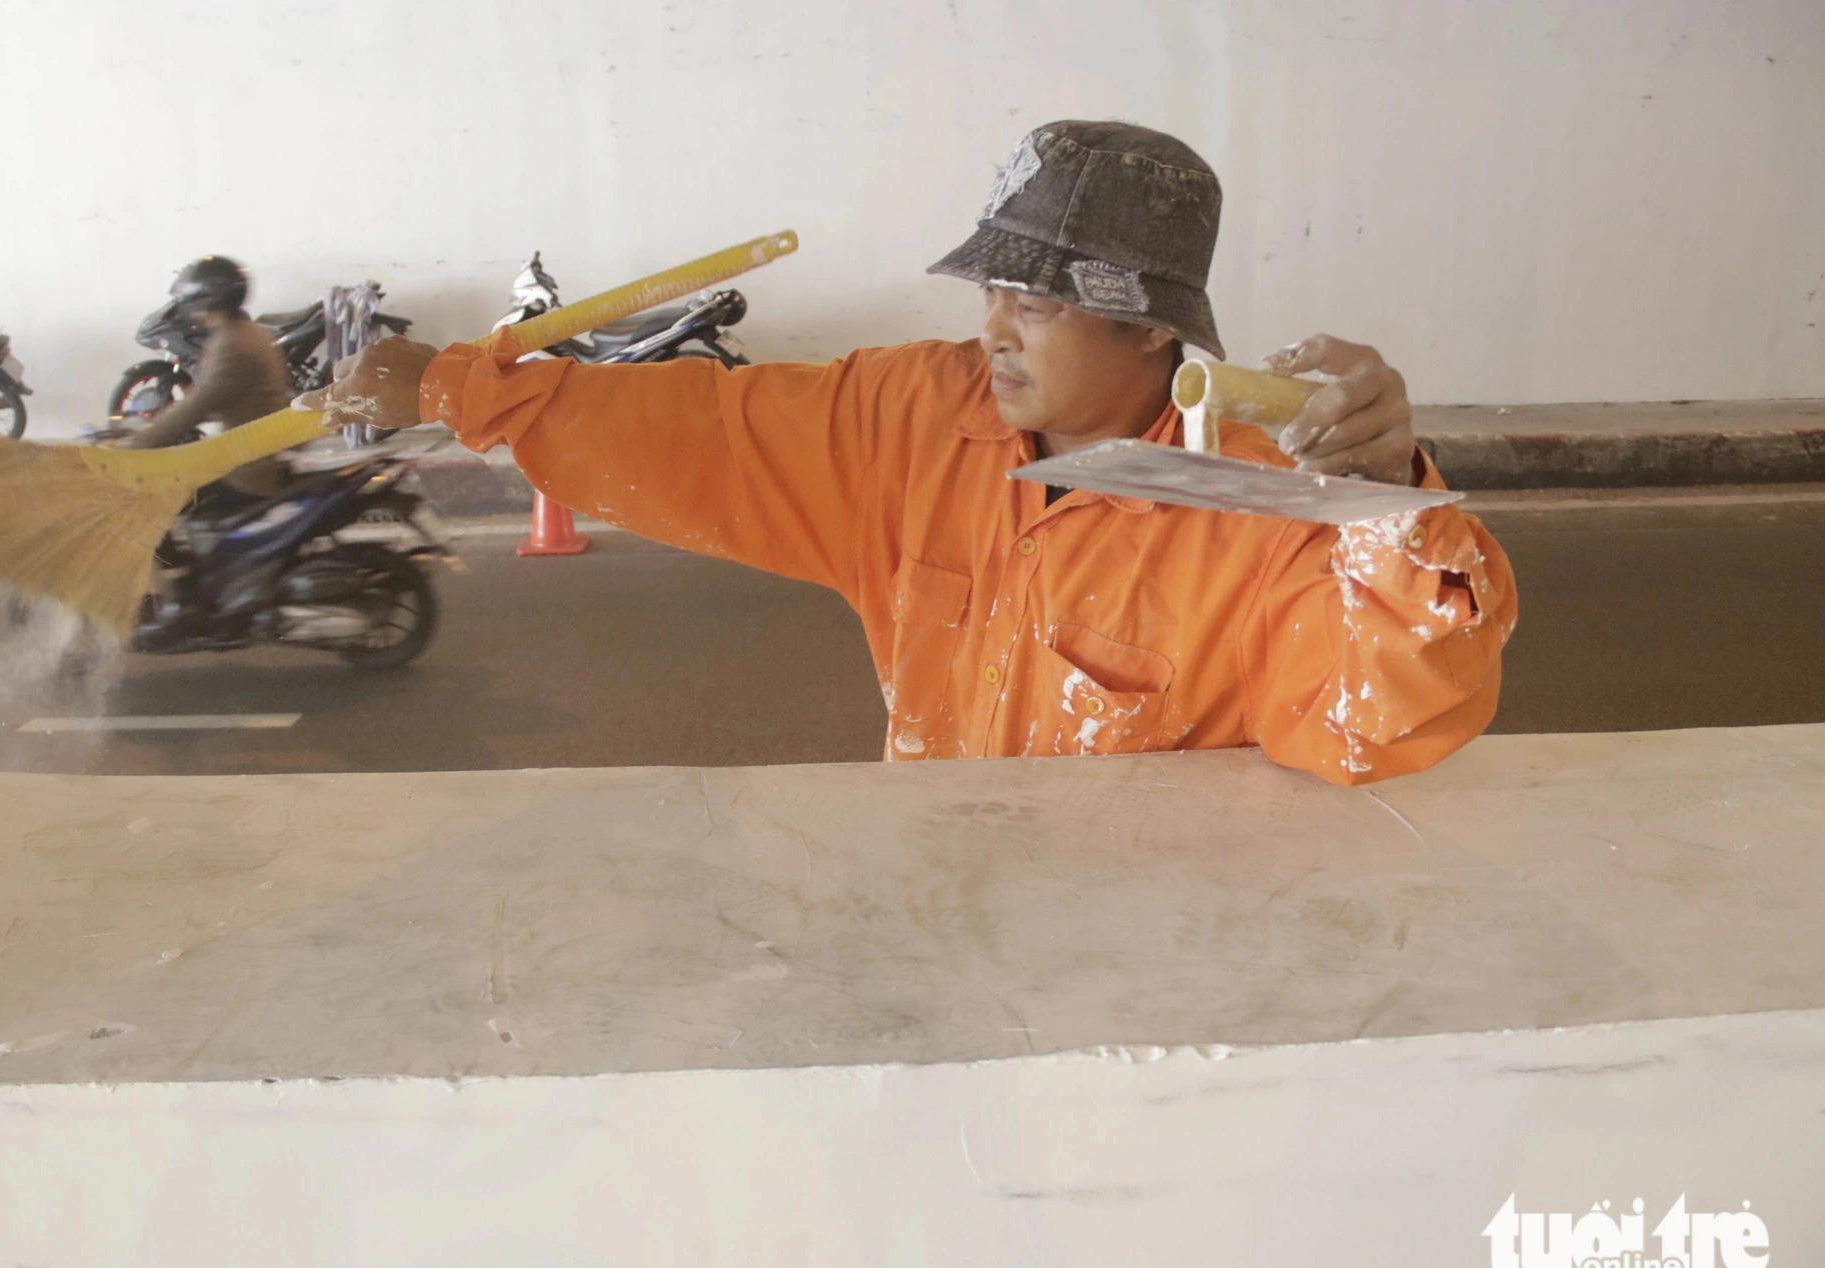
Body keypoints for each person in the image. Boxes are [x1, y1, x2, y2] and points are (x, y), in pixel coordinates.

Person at [302, 121, 1518, 785]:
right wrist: (463, 387)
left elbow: (1376, 718)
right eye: (992, 290)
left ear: (1148, 327)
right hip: (934, 908)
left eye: (1033, 305)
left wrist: (1384, 506)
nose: (991, 327)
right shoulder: (915, 425)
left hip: (1144, 970)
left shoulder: (1259, 504)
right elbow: (697, 433)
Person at [128, 255, 291, 503]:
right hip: (256, 452)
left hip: (248, 472)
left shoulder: (232, 344)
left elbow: (199, 404)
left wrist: (135, 447)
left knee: (174, 499)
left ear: (206, 299)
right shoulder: (250, 331)